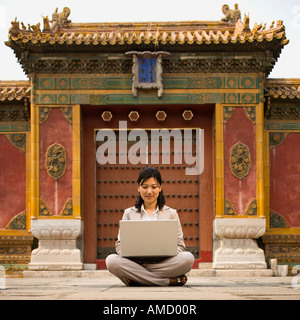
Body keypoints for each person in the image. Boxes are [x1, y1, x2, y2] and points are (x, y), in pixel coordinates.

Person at [105, 167, 195, 286]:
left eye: (153, 187)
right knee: (111, 261)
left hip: (164, 262)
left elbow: (180, 246)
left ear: (160, 188)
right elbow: (119, 245)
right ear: (138, 187)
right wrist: (131, 255)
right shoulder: (129, 213)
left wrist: (166, 252)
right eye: (145, 187)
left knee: (188, 258)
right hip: (136, 263)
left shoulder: (171, 213)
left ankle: (137, 278)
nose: (149, 191)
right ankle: (167, 281)